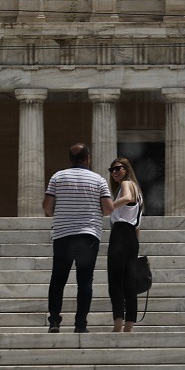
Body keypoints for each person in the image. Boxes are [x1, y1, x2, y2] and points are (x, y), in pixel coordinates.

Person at [42, 143, 113, 333]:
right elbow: (107, 209)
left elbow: (47, 207)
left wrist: (63, 213)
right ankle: (80, 324)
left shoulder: (58, 177)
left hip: (63, 235)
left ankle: (54, 321)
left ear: (70, 159)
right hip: (88, 235)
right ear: (87, 158)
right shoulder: (98, 180)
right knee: (85, 281)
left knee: (58, 279)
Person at [106, 156, 143, 332]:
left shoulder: (126, 185)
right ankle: (129, 326)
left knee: (115, 281)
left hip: (120, 234)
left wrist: (109, 207)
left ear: (127, 170)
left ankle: (117, 326)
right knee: (129, 283)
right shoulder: (139, 192)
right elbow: (138, 225)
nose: (114, 172)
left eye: (118, 168)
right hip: (131, 237)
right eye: (112, 169)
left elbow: (127, 197)